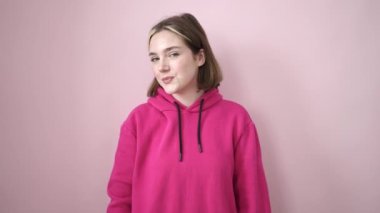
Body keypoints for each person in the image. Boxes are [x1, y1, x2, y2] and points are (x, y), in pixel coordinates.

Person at [106, 13, 271, 213]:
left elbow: (254, 200)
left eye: (173, 54)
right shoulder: (137, 122)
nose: (162, 67)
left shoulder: (236, 119)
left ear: (199, 57)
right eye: (155, 58)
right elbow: (120, 200)